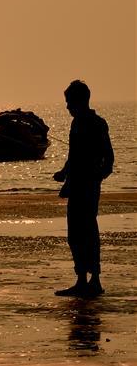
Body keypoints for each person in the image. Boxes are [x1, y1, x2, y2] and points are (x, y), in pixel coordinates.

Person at [53, 80, 114, 297]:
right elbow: (73, 156)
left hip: (87, 187)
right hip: (77, 186)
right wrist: (64, 173)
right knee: (76, 234)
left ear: (80, 101)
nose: (68, 107)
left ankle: (94, 280)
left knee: (87, 233)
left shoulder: (97, 124)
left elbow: (109, 159)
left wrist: (95, 178)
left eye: (69, 102)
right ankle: (82, 279)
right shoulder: (76, 124)